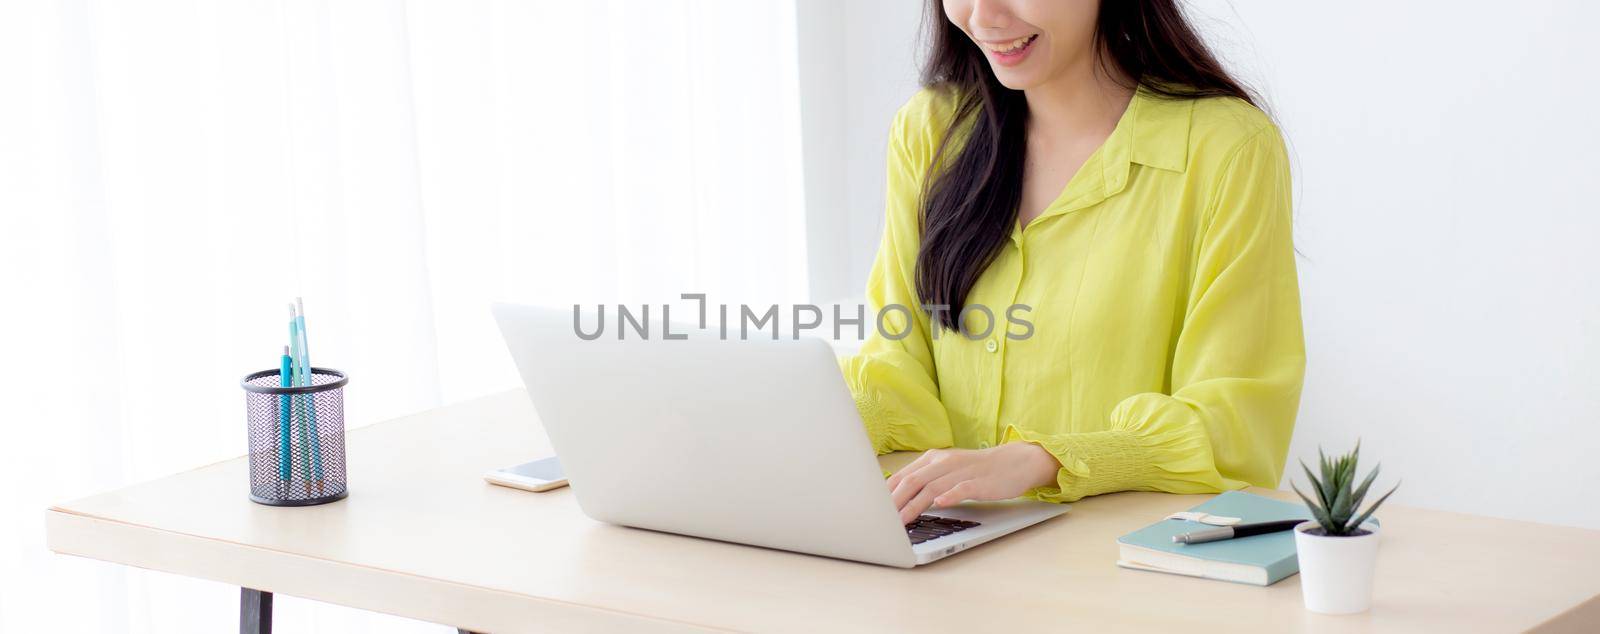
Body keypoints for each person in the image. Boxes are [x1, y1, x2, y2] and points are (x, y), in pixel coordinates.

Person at [842, 0, 1306, 524]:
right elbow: (898, 360)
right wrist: (803, 426)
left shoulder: (1226, 150)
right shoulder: (930, 130)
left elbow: (1235, 418)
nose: (984, 17)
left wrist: (1046, 461)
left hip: (1121, 562)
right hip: (946, 543)